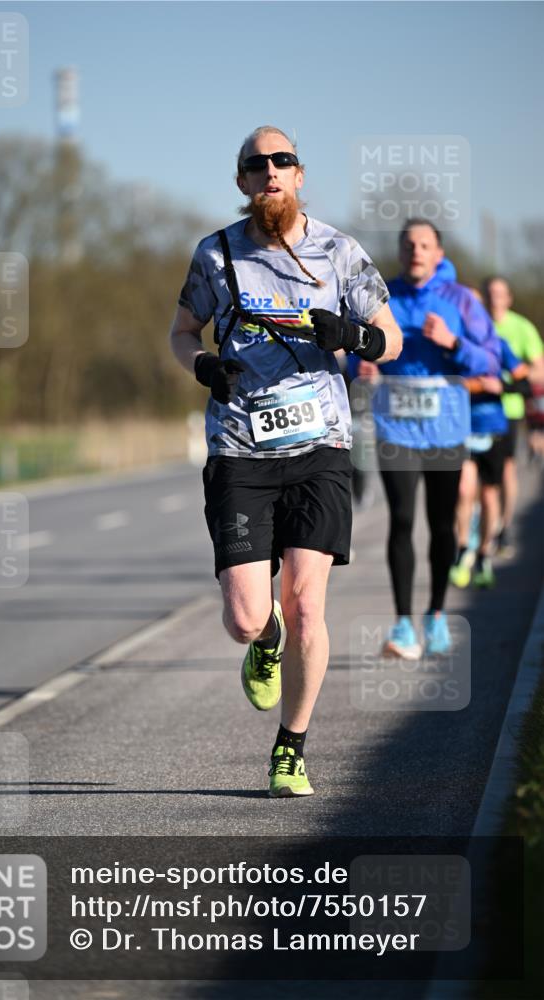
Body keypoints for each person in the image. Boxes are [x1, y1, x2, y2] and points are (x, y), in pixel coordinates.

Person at [169, 126, 401, 797]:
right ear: (242, 181)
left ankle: (290, 748)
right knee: (247, 616)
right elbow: (181, 331)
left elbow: (392, 340)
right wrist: (202, 363)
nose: (269, 170)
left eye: (282, 160)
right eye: (255, 164)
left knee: (306, 603)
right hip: (239, 447)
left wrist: (353, 335)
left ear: (299, 174)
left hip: (319, 447)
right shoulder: (216, 256)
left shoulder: (339, 252)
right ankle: (262, 641)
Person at [350, 221, 501, 660]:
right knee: (400, 519)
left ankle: (435, 614)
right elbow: (354, 353)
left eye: (425, 245)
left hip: (446, 430)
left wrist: (454, 342)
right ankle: (402, 626)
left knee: (440, 525)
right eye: (409, 244)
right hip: (395, 427)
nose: (416, 250)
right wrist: (362, 367)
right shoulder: (383, 297)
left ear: (439, 253)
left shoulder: (461, 301)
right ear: (399, 251)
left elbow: (490, 360)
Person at [450, 340, 531, 589]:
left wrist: (501, 385)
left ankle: (484, 553)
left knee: (488, 496)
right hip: (461, 429)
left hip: (493, 431)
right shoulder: (451, 343)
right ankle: (463, 549)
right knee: (463, 490)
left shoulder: (497, 345)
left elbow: (525, 384)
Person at [483, 276, 544, 555]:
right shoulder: (475, 323)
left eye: (499, 294)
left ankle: (504, 527)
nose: (494, 298)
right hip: (475, 411)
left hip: (508, 411)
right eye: (490, 293)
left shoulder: (521, 327)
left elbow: (539, 370)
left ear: (508, 298)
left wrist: (507, 383)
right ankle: (481, 528)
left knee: (506, 471)